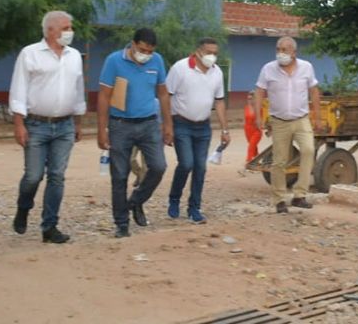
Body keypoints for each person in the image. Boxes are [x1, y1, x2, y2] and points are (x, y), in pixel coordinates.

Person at [9, 11, 85, 244]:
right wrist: (19, 124)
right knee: (33, 176)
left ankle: (49, 226)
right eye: (65, 28)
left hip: (64, 125)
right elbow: (19, 88)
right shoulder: (30, 54)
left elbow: (78, 88)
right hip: (36, 124)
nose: (70, 32)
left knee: (57, 176)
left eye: (70, 27)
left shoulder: (74, 56)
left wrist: (78, 120)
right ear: (50, 30)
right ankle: (23, 208)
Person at [97, 28, 173, 239]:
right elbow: (104, 96)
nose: (145, 55)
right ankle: (122, 224)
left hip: (149, 123)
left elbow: (163, 93)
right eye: (141, 50)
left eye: (149, 51)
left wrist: (168, 124)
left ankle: (136, 202)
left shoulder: (157, 61)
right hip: (120, 125)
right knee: (119, 176)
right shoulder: (114, 61)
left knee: (158, 167)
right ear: (132, 44)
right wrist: (101, 130)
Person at [254, 36, 321, 214]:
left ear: (294, 52)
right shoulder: (268, 69)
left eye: (284, 50)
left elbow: (314, 91)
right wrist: (258, 115)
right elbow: (259, 91)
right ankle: (279, 199)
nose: (280, 53)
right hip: (279, 121)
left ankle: (300, 195)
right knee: (279, 161)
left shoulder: (306, 67)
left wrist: (318, 117)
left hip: (301, 119)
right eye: (278, 49)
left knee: (308, 150)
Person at [165, 37, 229, 224]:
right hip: (181, 123)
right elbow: (166, 96)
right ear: (198, 51)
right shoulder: (180, 68)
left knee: (200, 168)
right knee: (186, 163)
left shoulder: (217, 73)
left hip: (203, 126)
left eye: (215, 53)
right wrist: (166, 126)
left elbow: (219, 101)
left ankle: (194, 208)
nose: (212, 57)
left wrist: (225, 129)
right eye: (208, 52)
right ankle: (174, 199)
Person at [244, 90, 261, 163]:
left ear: (255, 99)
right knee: (254, 147)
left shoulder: (259, 108)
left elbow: (261, 121)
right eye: (248, 99)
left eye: (251, 99)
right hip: (247, 130)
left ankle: (249, 161)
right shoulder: (246, 107)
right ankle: (257, 161)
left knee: (251, 146)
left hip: (256, 130)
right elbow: (245, 119)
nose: (249, 100)